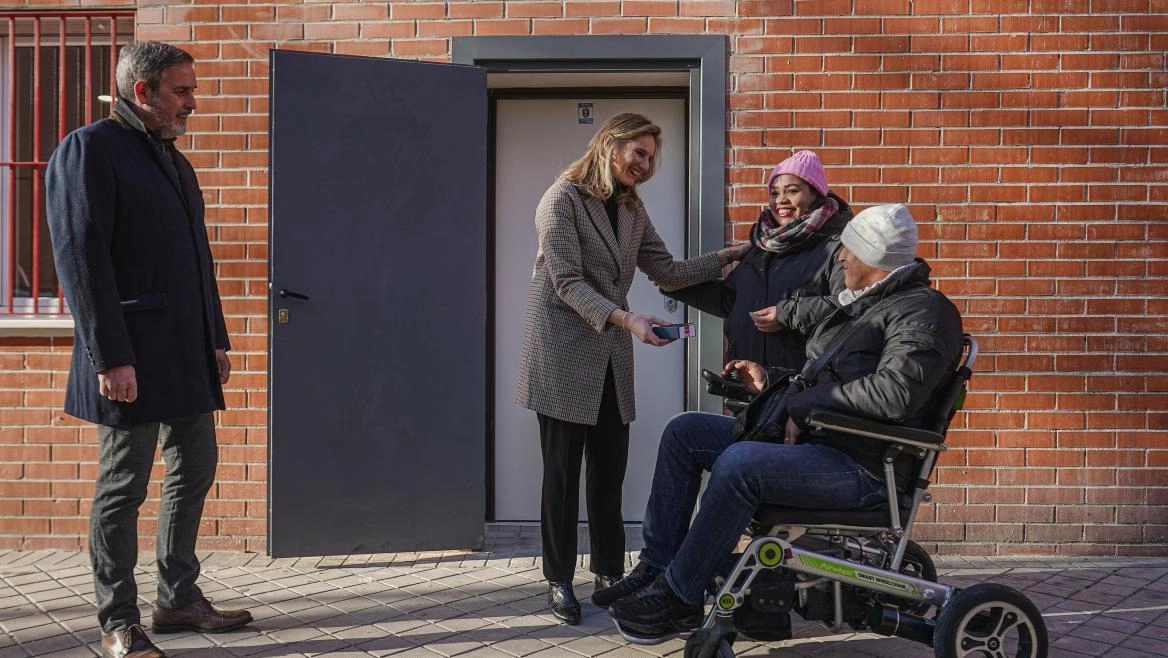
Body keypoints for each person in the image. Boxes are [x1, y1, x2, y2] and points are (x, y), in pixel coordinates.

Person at [597, 204, 964, 638]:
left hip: (864, 467)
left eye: (848, 251)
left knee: (741, 464)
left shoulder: (924, 313)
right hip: (819, 443)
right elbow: (830, 379)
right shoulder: (864, 305)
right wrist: (769, 382)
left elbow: (895, 395)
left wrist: (803, 406)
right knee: (685, 431)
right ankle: (658, 566)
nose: (840, 259)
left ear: (873, 258)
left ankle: (680, 596)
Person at [46, 41, 251, 658]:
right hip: (128, 354)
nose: (193, 101)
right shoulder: (91, 150)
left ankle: (178, 598)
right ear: (143, 92)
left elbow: (198, 262)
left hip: (185, 351)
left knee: (197, 467)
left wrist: (215, 338)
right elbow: (82, 262)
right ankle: (118, 620)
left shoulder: (174, 160)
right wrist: (109, 356)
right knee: (123, 486)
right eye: (182, 91)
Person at [516, 112, 751, 625]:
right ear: (609, 144)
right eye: (638, 153)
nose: (645, 165)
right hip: (560, 352)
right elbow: (567, 283)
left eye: (650, 158)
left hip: (609, 354)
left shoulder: (631, 208)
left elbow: (666, 271)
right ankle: (558, 579)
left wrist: (732, 255)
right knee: (561, 473)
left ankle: (607, 572)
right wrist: (626, 318)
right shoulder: (560, 199)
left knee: (609, 467)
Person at [665, 150, 852, 375]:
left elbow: (851, 305)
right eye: (774, 193)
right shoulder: (762, 246)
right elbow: (731, 301)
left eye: (792, 191)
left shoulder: (836, 248)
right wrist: (674, 280)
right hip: (748, 388)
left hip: (800, 389)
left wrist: (787, 315)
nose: (781, 200)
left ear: (816, 195)